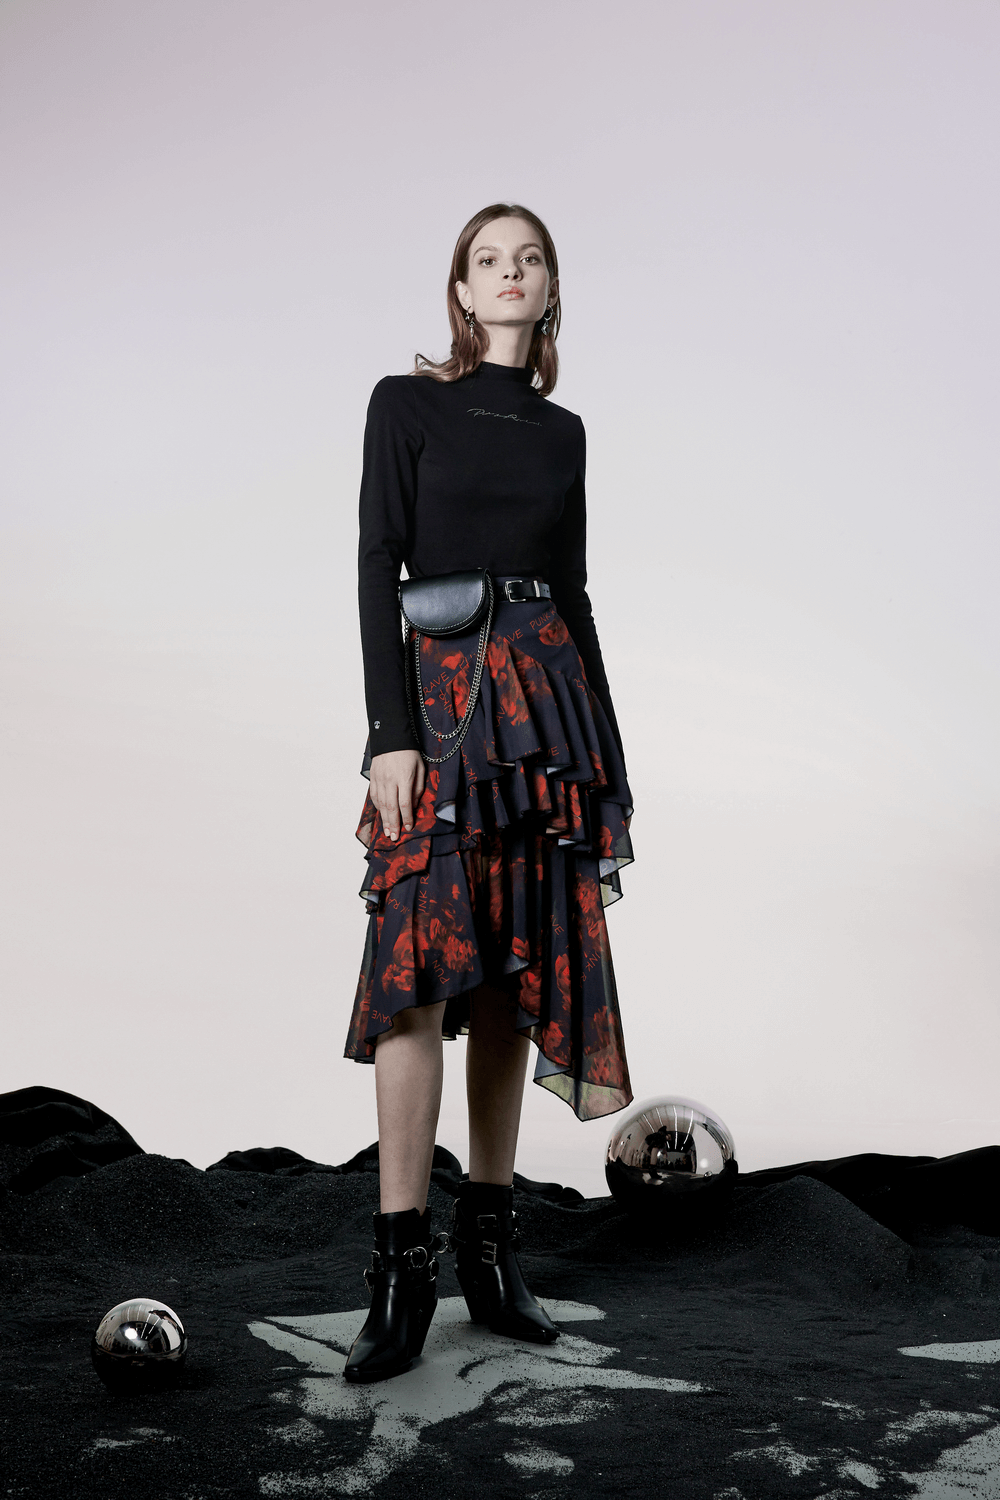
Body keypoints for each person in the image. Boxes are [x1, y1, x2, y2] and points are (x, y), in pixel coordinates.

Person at [344, 203, 634, 1383]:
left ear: (548, 288)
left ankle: (491, 1250)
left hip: (547, 705)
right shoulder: (401, 404)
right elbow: (376, 561)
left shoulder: (564, 433)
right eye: (486, 259)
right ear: (461, 291)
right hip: (445, 707)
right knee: (415, 977)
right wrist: (387, 735)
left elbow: (573, 590)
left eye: (528, 259)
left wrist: (605, 751)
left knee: (515, 972)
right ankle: (399, 1267)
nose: (508, 274)